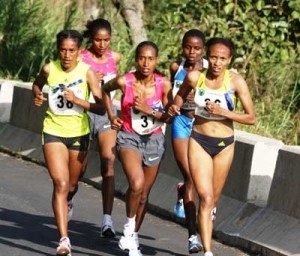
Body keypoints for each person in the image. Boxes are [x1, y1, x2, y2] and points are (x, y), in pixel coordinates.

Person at [168, 37, 256, 256]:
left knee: (213, 200)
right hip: (198, 140)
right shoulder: (195, 77)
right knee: (205, 198)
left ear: (229, 60)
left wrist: (224, 112)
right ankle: (208, 251)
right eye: (214, 57)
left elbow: (251, 117)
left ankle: (204, 232)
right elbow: (178, 98)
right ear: (207, 56)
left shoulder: (235, 81)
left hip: (225, 144)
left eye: (223, 58)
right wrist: (174, 108)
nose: (217, 62)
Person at [32, 29, 105, 256]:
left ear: (79, 51)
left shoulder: (87, 72)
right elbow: (37, 84)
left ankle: (68, 202)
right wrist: (37, 94)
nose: (66, 55)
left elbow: (101, 107)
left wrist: (78, 100)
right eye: (62, 50)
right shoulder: (49, 68)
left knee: (72, 185)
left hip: (79, 134)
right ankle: (64, 240)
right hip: (53, 131)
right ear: (57, 49)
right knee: (61, 184)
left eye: (71, 50)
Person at [102, 41, 173, 256]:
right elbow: (105, 90)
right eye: (142, 58)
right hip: (128, 137)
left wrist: (148, 110)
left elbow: (169, 117)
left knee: (143, 195)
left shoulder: (164, 84)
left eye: (150, 59)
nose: (146, 63)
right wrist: (112, 115)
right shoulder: (125, 81)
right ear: (136, 59)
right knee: (137, 182)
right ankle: (128, 229)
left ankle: (131, 237)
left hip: (154, 141)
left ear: (156, 61)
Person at [81, 18, 122, 238]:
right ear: (91, 39)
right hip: (84, 114)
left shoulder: (115, 58)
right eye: (98, 40)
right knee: (78, 170)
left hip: (107, 115)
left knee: (108, 163)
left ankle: (107, 220)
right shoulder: (81, 58)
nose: (102, 44)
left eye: (106, 40)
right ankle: (68, 198)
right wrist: (88, 80)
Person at [170, 29, 208, 254]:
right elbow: (171, 93)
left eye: (197, 48)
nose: (191, 52)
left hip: (201, 125)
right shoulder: (176, 67)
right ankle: (193, 236)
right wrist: (172, 104)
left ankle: (183, 190)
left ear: (203, 50)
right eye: (187, 47)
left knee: (195, 179)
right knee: (190, 175)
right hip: (180, 122)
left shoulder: (209, 70)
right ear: (182, 46)